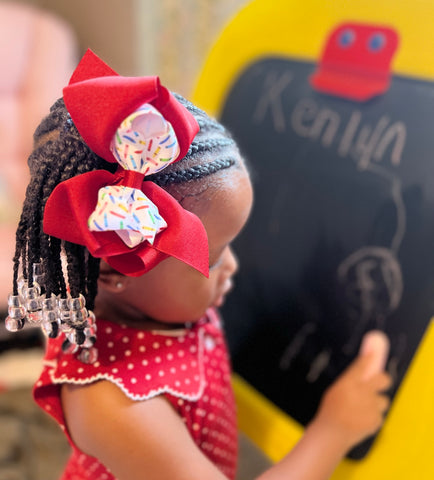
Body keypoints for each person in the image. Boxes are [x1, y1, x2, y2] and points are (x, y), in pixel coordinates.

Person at [5, 50, 391, 480]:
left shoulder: (157, 299)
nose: (233, 267)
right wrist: (334, 430)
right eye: (216, 253)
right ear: (118, 270)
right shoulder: (112, 403)